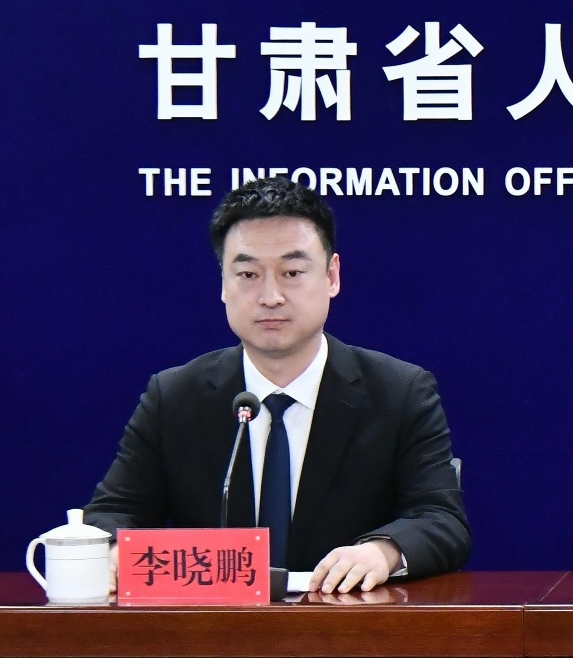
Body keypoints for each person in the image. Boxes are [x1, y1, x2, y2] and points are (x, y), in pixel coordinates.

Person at [83, 176, 468, 591]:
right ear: (224, 284)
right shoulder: (174, 397)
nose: (270, 296)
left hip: (347, 621)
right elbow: (112, 512)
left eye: (292, 272)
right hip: (215, 628)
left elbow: (441, 519)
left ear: (332, 276)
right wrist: (114, 551)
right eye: (248, 274)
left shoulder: (399, 392)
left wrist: (382, 551)